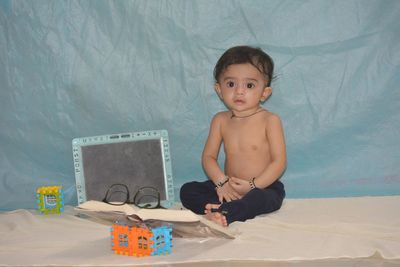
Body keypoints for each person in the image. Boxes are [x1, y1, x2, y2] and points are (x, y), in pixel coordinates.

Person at [180, 45, 286, 227]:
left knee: (262, 199)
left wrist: (253, 186)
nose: (239, 91)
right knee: (188, 190)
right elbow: (208, 157)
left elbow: (279, 162)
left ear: (264, 93)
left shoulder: (270, 120)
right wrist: (222, 183)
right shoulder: (220, 120)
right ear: (219, 89)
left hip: (262, 186)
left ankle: (225, 213)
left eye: (250, 85)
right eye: (231, 84)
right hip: (228, 188)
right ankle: (215, 208)